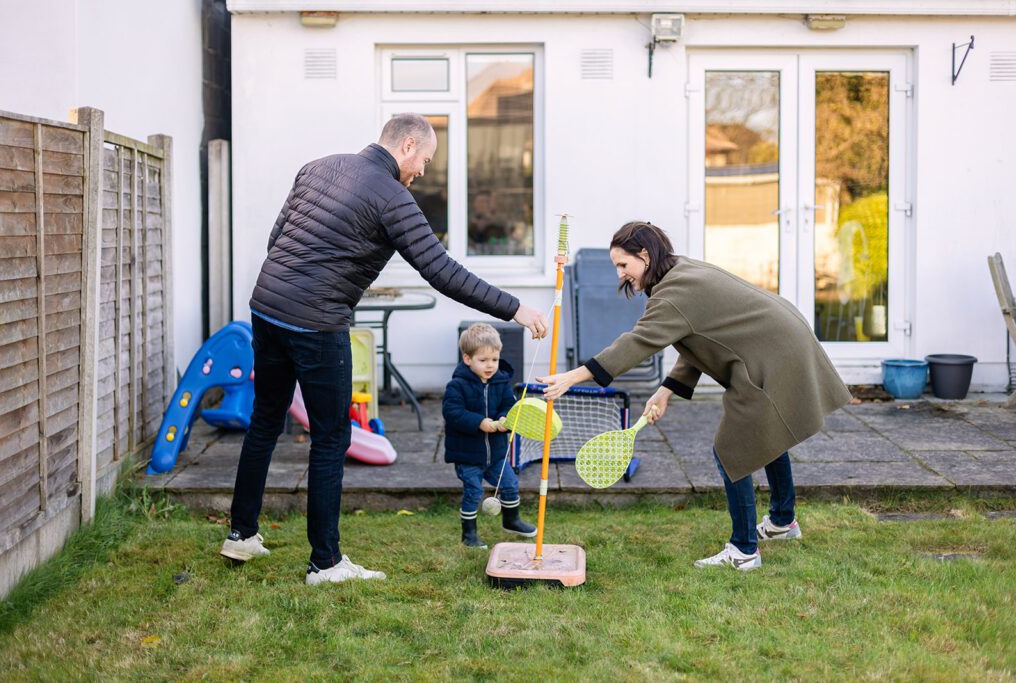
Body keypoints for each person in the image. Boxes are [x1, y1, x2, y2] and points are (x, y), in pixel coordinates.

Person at [220, 114, 548, 584]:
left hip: (267, 308)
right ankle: (325, 563)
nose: (422, 174)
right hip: (317, 323)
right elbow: (442, 271)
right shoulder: (394, 196)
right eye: (425, 162)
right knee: (332, 438)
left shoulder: (318, 167)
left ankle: (242, 534)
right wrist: (515, 309)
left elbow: (279, 239)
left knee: (265, 421)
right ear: (407, 145)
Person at [538, 221, 851, 571]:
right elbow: (696, 338)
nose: (620, 274)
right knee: (769, 437)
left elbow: (637, 342)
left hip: (770, 355)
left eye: (623, 265)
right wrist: (666, 390)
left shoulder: (673, 293)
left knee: (731, 448)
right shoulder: (679, 271)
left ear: (644, 255)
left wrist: (572, 376)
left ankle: (744, 550)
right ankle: (782, 522)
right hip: (780, 340)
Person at [442, 323, 537, 549]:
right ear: (468, 359)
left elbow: (508, 405)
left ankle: (511, 520)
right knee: (473, 493)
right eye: (483, 360)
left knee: (510, 484)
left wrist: (505, 418)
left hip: (496, 453)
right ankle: (469, 535)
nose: (490, 365)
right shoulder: (457, 385)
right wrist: (479, 422)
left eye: (494, 360)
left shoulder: (501, 382)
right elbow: (452, 413)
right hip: (468, 455)